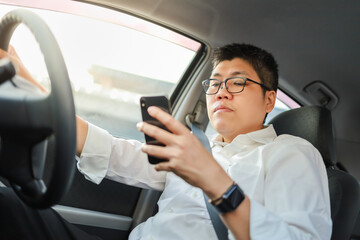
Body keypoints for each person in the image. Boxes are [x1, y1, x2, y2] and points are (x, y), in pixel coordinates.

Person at [0, 43, 332, 240]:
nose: (221, 92)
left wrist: (215, 181)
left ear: (269, 100)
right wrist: (27, 79)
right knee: (8, 204)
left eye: (238, 82)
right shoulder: (194, 147)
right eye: (214, 84)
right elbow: (112, 152)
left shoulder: (292, 153)